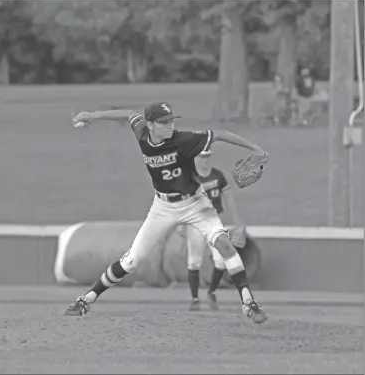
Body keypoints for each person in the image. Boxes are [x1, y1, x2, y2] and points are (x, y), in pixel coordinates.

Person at [65, 101, 269, 324]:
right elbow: (127, 114)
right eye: (163, 122)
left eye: (171, 120)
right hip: (162, 208)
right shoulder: (142, 133)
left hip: (196, 204)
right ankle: (86, 299)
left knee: (224, 244)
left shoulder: (183, 140)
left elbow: (219, 134)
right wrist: (92, 116)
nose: (169, 125)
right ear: (150, 124)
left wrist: (255, 148)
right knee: (131, 261)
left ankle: (249, 303)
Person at [177, 148, 247, 312]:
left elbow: (229, 199)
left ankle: (211, 291)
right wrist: (180, 223)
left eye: (207, 157)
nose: (205, 160)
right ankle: (195, 299)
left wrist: (238, 222)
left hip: (214, 222)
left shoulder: (218, 176)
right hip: (195, 222)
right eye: (202, 157)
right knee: (194, 261)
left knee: (221, 261)